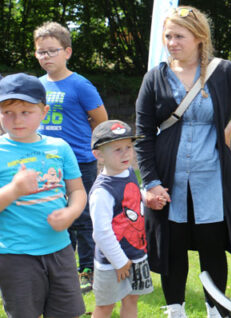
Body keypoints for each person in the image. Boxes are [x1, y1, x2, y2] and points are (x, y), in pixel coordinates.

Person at [135, 6, 231, 318]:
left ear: (199, 38)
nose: (172, 42)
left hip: (212, 176)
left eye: (179, 36)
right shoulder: (155, 77)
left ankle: (216, 310)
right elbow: (143, 133)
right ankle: (175, 310)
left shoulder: (223, 71)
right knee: (172, 246)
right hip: (168, 175)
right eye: (168, 36)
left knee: (211, 245)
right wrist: (151, 181)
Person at [0, 73, 86, 317]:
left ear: (44, 111)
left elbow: (77, 190)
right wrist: (14, 189)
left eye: (26, 112)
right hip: (16, 257)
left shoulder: (59, 147)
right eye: (8, 112)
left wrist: (71, 212)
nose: (17, 120)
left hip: (61, 250)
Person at [34, 21, 109, 293]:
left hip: (79, 161)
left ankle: (87, 270)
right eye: (41, 52)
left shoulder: (80, 84)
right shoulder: (36, 85)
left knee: (82, 218)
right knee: (54, 214)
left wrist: (95, 148)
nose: (46, 57)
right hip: (45, 163)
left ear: (67, 52)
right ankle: (61, 268)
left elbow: (101, 122)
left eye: (52, 51)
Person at [89, 120, 155, 318]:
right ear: (99, 154)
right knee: (105, 306)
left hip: (136, 253)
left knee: (131, 299)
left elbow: (130, 196)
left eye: (128, 147)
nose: (126, 153)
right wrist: (119, 262)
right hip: (112, 262)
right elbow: (101, 233)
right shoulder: (102, 192)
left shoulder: (128, 172)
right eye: (117, 149)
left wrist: (146, 197)